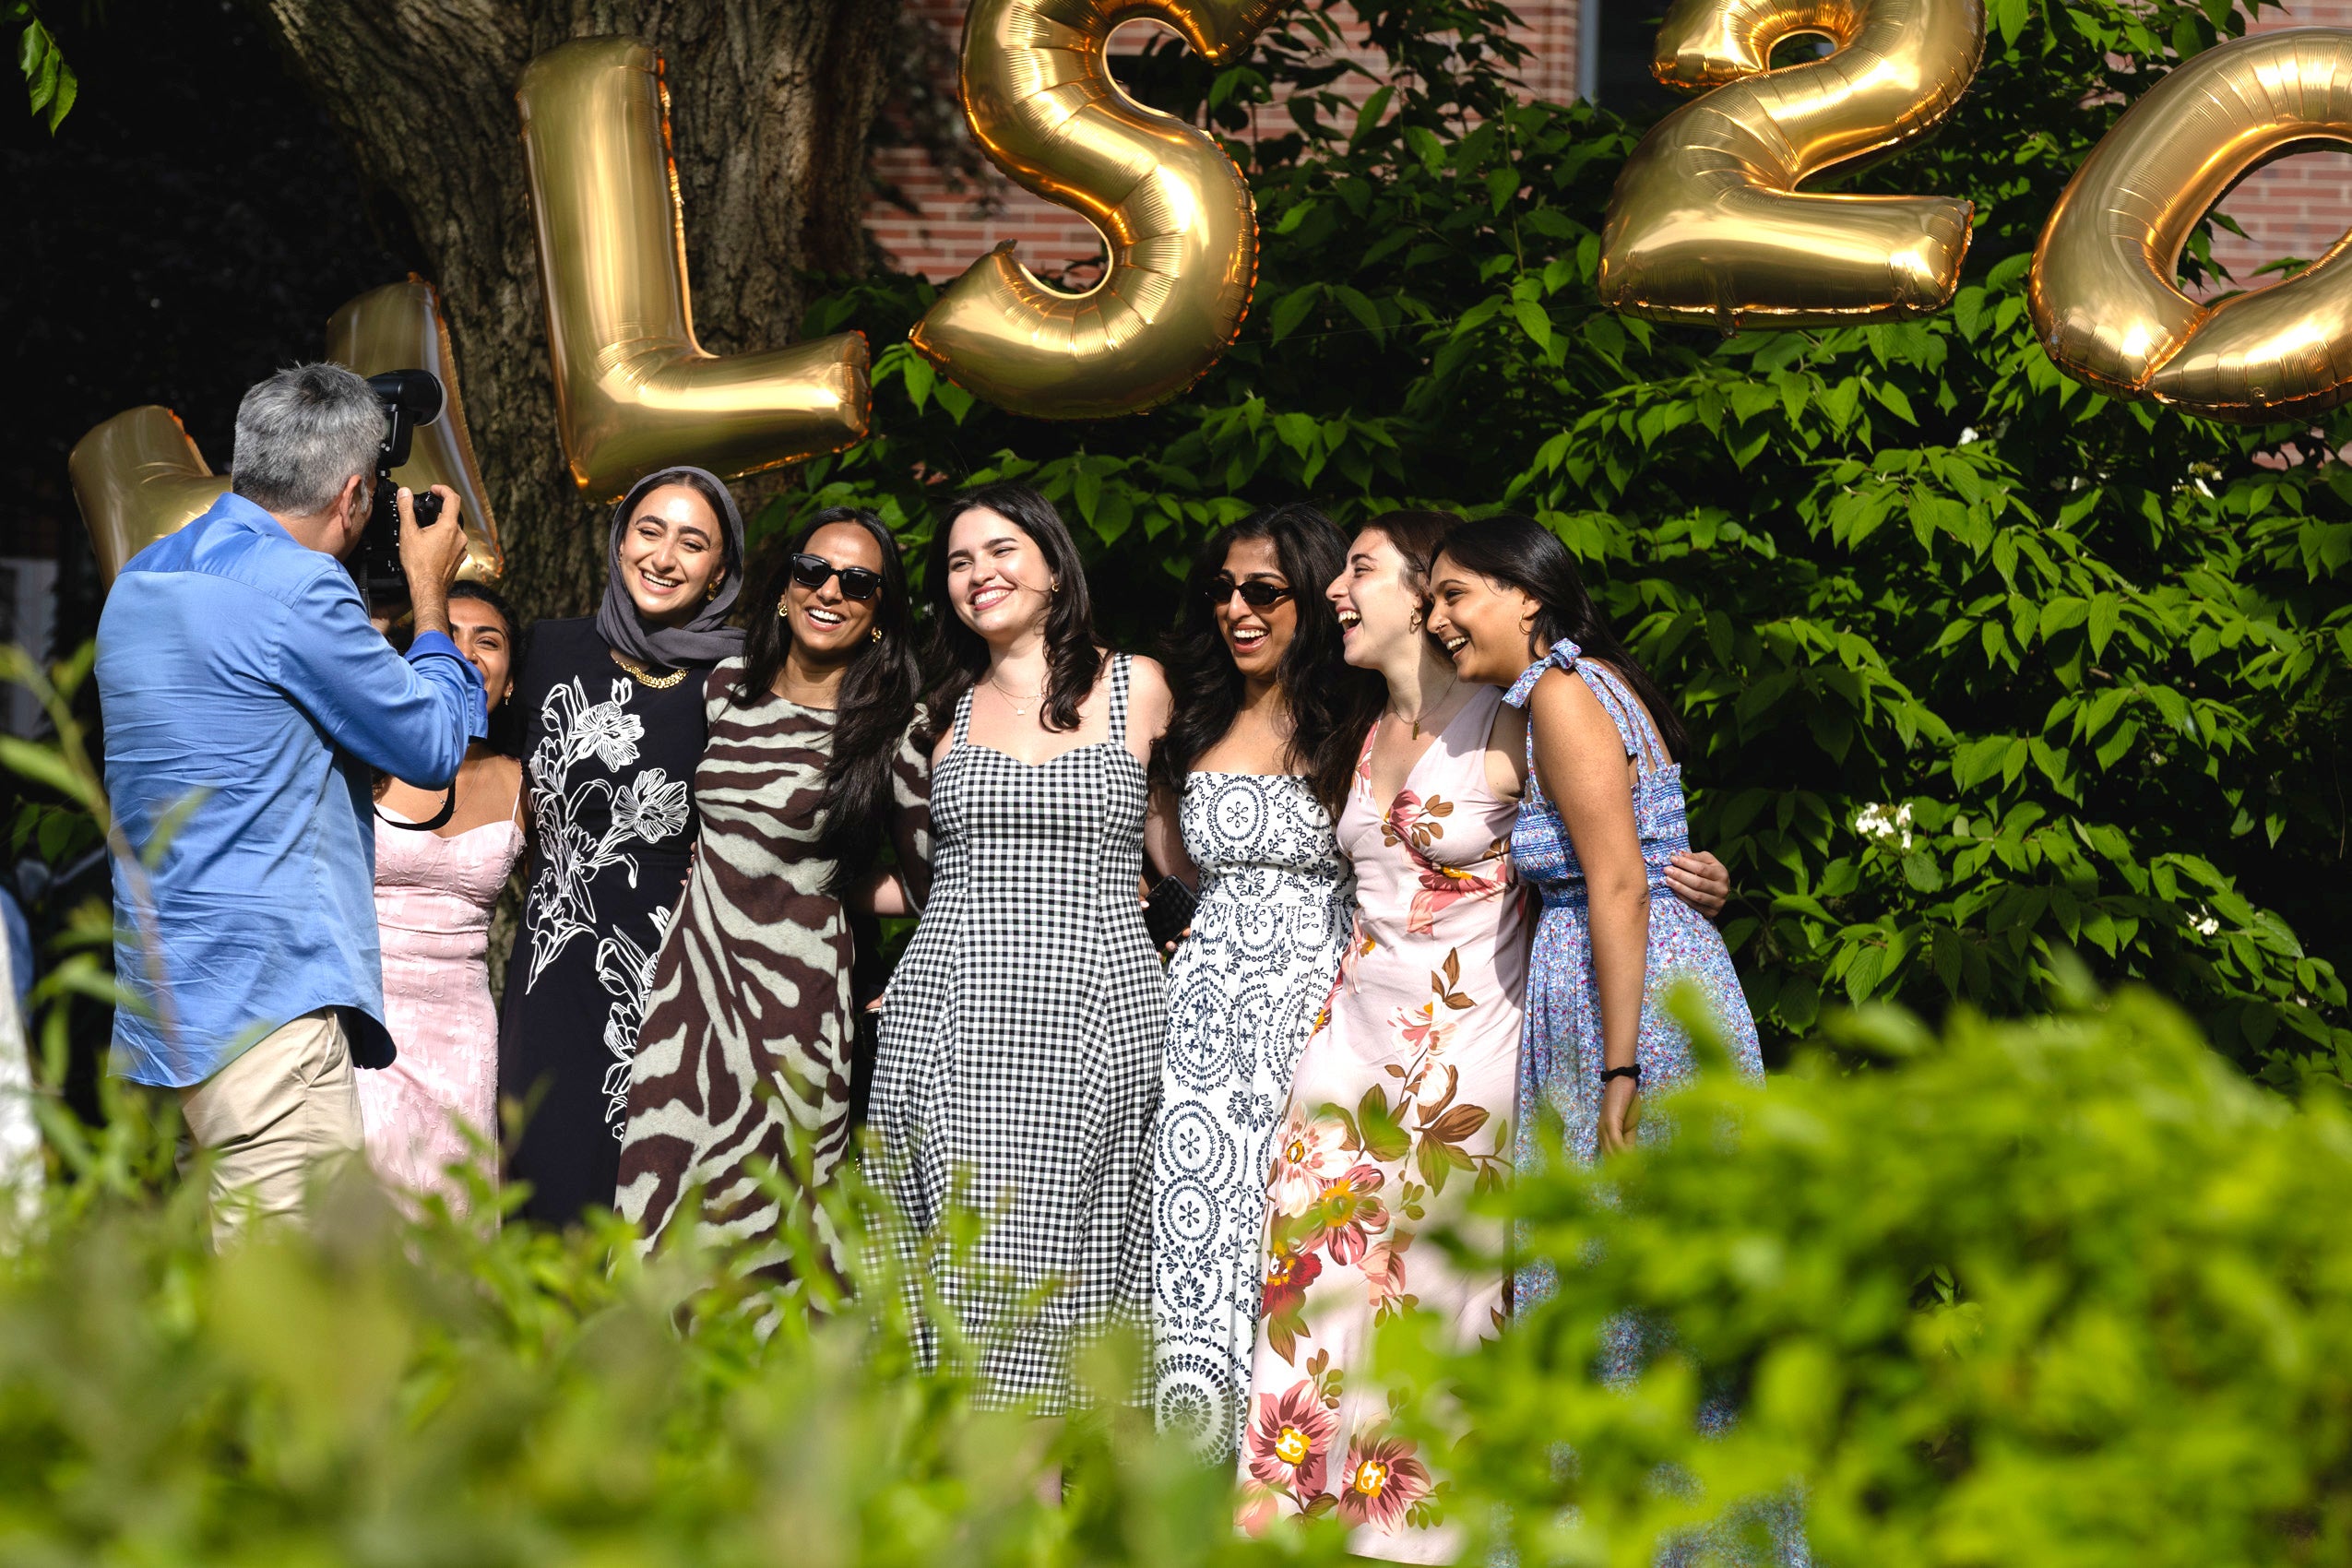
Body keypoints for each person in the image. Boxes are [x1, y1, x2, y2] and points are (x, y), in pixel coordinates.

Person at [1234, 512, 1731, 1560]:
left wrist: (1681, 882)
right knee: (1313, 1300)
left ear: (1425, 593)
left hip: (1466, 1050)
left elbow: (1611, 859)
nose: (1335, 588)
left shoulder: (1519, 714)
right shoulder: (1362, 727)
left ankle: (1420, 1538)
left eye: (1362, 570)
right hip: (1345, 1052)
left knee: (1437, 1306)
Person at [95, 362, 481, 1244]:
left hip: (170, 1012)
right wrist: (429, 593)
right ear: (353, 495)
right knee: (302, 1323)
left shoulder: (141, 583)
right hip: (270, 1007)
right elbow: (428, 745)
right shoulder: (301, 590)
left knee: (218, 1318)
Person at [869, 481, 1178, 1413]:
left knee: (1070, 1282)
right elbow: (902, 875)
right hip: (955, 1017)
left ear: (1053, 562)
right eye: (959, 561)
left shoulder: (1139, 684)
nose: (978, 575)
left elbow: (1179, 863)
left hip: (1096, 1015)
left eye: (1000, 550)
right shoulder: (937, 709)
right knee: (966, 1274)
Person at [1425, 515, 1764, 1301]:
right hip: (1640, 981)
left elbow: (1618, 884)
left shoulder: (1561, 693)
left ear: (1527, 597)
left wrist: (1621, 1066)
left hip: (1624, 1002)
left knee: (1619, 1271)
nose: (1438, 620)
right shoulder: (1591, 681)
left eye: (1455, 596)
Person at [615, 507, 930, 1282]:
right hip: (690, 998)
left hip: (797, 1010)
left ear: (881, 612)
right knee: (659, 1205)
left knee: (770, 1227)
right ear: (784, 587)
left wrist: (822, 887)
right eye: (811, 571)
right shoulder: (725, 689)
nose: (830, 591)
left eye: (858, 582)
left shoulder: (898, 726)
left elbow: (931, 884)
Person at [1146, 504, 1380, 1457]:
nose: (1237, 610)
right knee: (1187, 1246)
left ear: (1314, 600)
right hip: (1195, 1029)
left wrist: (1670, 869)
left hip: (1317, 1018)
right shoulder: (1192, 714)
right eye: (1223, 590)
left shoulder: (1362, 723)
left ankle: (1288, 1487)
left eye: (1263, 591)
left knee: (1285, 1254)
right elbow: (1163, 871)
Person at [498, 466, 744, 1227]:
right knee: (542, 1195)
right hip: (550, 973)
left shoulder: (738, 682)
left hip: (672, 986)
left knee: (652, 1209)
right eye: (650, 531)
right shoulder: (546, 652)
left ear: (720, 572)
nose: (665, 557)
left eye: (692, 543)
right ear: (619, 540)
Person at [359, 582, 528, 1209]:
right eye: (449, 635)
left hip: (463, 1037)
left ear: (509, 681)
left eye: (489, 641)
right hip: (362, 1025)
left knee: (454, 1222)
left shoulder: (525, 784)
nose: (468, 652)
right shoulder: (360, 761)